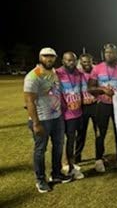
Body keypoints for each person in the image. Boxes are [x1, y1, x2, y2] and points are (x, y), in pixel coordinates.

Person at [24, 47, 71, 193]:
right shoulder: (33, 76)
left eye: (51, 57)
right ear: (40, 58)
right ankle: (40, 180)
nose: (48, 59)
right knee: (40, 150)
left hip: (56, 118)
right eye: (45, 56)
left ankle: (56, 174)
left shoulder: (54, 73)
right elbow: (29, 101)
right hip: (42, 119)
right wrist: (36, 123)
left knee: (58, 146)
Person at [88, 43, 117, 172]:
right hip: (102, 105)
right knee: (101, 133)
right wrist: (103, 90)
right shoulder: (97, 69)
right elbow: (90, 88)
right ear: (103, 54)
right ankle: (99, 159)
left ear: (116, 54)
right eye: (106, 53)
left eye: (111, 52)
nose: (109, 55)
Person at [56, 52, 85, 180]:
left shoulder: (79, 73)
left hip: (78, 112)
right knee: (68, 140)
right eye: (68, 60)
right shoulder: (57, 73)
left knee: (72, 140)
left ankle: (69, 163)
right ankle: (69, 166)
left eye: (73, 60)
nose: (71, 63)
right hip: (66, 113)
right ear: (63, 61)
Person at [74, 53, 97, 164]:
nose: (87, 64)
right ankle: (77, 158)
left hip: (95, 106)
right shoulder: (77, 73)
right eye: (84, 62)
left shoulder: (96, 71)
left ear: (92, 60)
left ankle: (99, 157)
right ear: (80, 62)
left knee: (99, 133)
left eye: (88, 61)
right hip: (83, 107)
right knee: (81, 134)